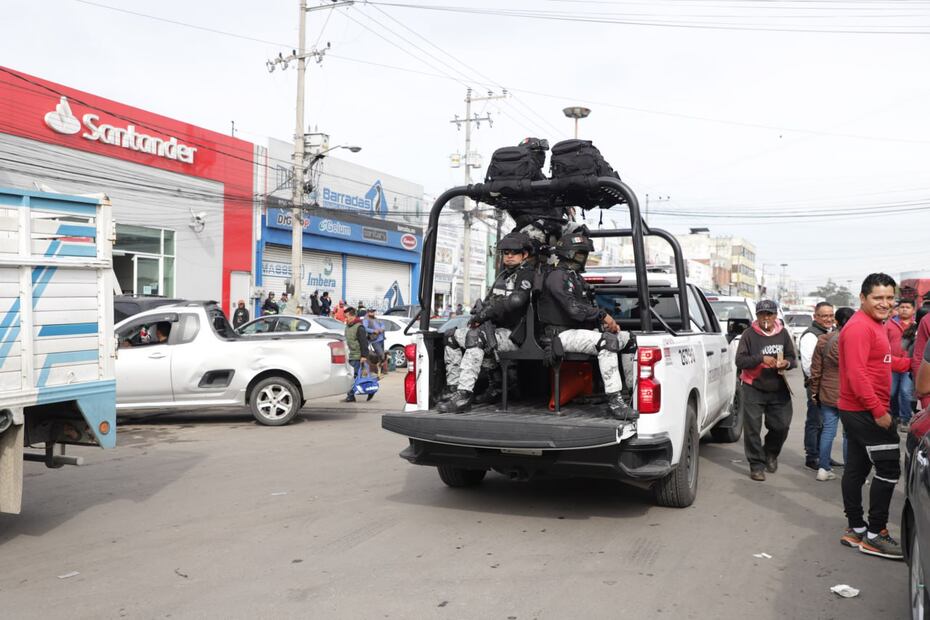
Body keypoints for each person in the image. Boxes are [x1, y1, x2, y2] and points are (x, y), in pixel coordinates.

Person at [837, 273, 912, 559]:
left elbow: (880, 360)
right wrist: (879, 411)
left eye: (889, 298)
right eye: (878, 298)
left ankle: (856, 528)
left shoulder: (876, 324)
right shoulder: (859, 328)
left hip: (861, 410)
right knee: (889, 469)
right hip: (865, 411)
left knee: (856, 469)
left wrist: (907, 365)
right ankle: (875, 534)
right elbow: (856, 374)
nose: (885, 303)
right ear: (863, 298)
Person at [536, 233, 634, 420]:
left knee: (628, 339)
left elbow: (586, 308)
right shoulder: (557, 277)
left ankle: (630, 393)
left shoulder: (574, 277)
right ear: (569, 253)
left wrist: (601, 322)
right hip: (560, 334)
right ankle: (615, 401)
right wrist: (602, 315)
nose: (584, 257)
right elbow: (573, 309)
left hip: (577, 331)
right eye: (580, 253)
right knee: (607, 342)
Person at [439, 233, 536, 413]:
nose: (509, 256)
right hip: (495, 331)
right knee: (451, 336)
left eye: (515, 252)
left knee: (476, 339)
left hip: (515, 336)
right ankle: (453, 389)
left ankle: (464, 395)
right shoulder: (502, 276)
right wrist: (479, 311)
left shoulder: (527, 275)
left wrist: (488, 311)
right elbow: (489, 301)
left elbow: (516, 301)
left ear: (524, 255)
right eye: (506, 252)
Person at [735, 299, 797, 482]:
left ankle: (770, 453)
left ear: (776, 315)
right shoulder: (749, 334)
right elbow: (740, 361)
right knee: (752, 428)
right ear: (757, 316)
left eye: (769, 314)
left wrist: (786, 363)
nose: (766, 318)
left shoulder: (783, 333)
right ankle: (756, 465)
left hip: (778, 387)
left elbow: (792, 358)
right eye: (762, 314)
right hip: (753, 386)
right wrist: (761, 358)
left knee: (781, 426)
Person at [809, 307, 855, 481]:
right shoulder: (856, 340)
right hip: (850, 393)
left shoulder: (823, 340)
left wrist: (814, 392)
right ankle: (851, 472)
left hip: (827, 391)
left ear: (836, 321)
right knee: (848, 434)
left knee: (828, 430)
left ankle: (823, 468)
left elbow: (816, 370)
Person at [799, 302, 835, 470]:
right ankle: (812, 455)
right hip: (816, 384)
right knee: (815, 420)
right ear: (816, 317)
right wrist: (817, 385)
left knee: (826, 422)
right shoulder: (810, 336)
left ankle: (824, 455)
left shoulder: (830, 332)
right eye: (824, 316)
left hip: (827, 385)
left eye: (830, 315)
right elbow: (808, 365)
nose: (828, 319)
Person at [886, 298, 916, 428]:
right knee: (891, 392)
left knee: (905, 391)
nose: (904, 309)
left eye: (907, 307)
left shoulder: (917, 326)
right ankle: (894, 415)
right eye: (902, 307)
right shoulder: (889, 324)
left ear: (913, 310)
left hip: (909, 365)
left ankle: (905, 419)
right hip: (891, 364)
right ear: (897, 309)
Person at [343, 307, 372, 402]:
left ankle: (351, 396)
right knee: (355, 376)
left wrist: (364, 356)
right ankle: (368, 390)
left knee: (354, 377)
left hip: (357, 355)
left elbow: (364, 343)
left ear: (353, 316)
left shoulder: (359, 327)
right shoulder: (348, 326)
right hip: (349, 355)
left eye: (347, 317)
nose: (345, 319)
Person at [363, 309, 386, 378]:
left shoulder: (376, 319)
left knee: (381, 357)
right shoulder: (366, 320)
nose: (372, 313)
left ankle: (379, 372)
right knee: (380, 355)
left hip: (381, 339)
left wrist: (382, 328)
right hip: (374, 340)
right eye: (371, 312)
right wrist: (373, 331)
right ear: (368, 312)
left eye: (373, 311)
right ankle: (376, 371)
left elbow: (382, 325)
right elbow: (365, 328)